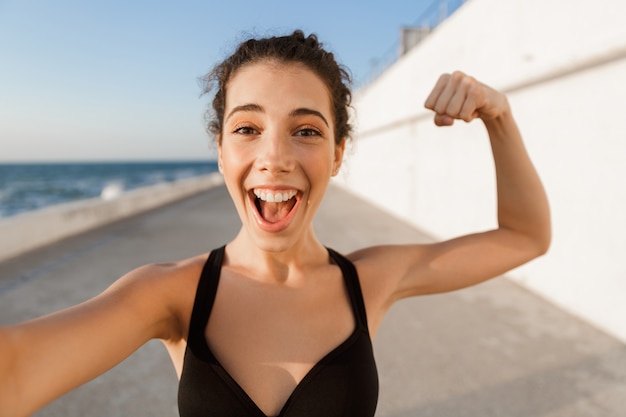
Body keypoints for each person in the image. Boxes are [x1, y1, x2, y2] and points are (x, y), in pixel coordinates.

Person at [0, 30, 551, 417]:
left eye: (306, 131)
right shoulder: (171, 293)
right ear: (220, 152)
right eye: (247, 129)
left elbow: (524, 237)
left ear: (338, 154)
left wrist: (499, 117)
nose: (275, 157)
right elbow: (16, 371)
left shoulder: (370, 279)